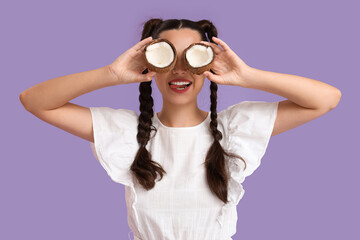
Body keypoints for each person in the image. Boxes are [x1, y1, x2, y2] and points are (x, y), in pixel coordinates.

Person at [19, 18, 341, 240]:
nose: (180, 69)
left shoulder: (233, 130)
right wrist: (111, 73)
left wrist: (248, 75)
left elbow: (326, 99)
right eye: (167, 56)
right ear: (150, 63)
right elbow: (35, 101)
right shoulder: (129, 134)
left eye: (193, 57)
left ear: (208, 64)